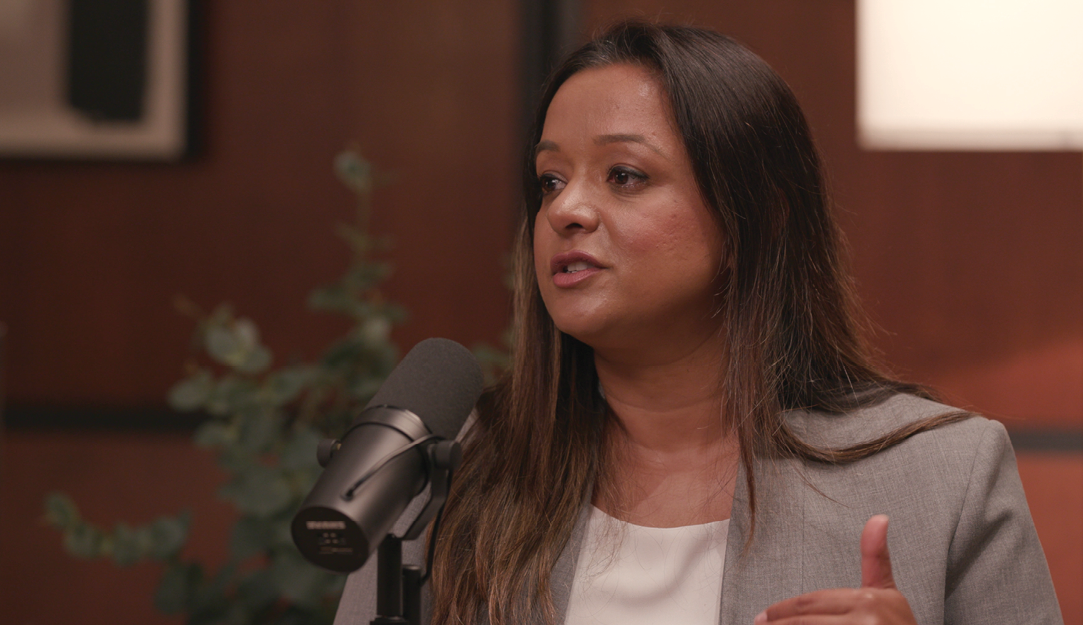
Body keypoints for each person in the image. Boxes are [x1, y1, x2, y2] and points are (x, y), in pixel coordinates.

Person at [334, 21, 1062, 625]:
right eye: (549, 180)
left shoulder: (942, 476)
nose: (564, 210)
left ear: (755, 215)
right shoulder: (445, 470)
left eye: (624, 176)